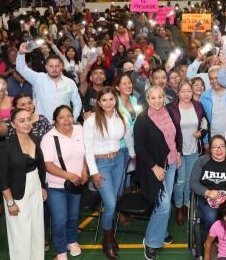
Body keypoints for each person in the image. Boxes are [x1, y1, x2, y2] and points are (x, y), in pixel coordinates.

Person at [83, 87, 132, 259]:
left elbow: (127, 138)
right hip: (101, 163)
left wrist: (133, 156)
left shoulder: (121, 117)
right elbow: (87, 149)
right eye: (104, 100)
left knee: (116, 197)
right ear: (98, 102)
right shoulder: (91, 121)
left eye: (111, 99)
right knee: (110, 204)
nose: (108, 103)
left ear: (115, 100)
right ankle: (108, 238)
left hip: (119, 160)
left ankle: (109, 233)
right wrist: (94, 172)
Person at [0, 107, 48, 260]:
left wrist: (42, 187)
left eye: (29, 119)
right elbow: (1, 178)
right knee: (20, 234)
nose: (27, 123)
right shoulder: (5, 147)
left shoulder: (36, 140)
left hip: (35, 188)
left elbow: (40, 166)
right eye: (21, 121)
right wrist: (10, 202)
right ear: (13, 124)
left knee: (37, 230)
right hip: (16, 193)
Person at [134, 85, 180, 260]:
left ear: (164, 98)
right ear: (147, 100)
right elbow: (140, 148)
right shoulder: (143, 119)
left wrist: (176, 153)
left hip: (170, 164)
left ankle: (162, 231)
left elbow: (172, 137)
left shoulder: (168, 112)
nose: (157, 101)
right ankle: (152, 242)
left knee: (166, 201)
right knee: (163, 205)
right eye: (152, 98)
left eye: (160, 97)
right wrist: (154, 167)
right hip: (153, 168)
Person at [40, 106, 88, 260]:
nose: (67, 120)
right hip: (56, 186)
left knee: (73, 216)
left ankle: (72, 241)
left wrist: (85, 171)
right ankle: (61, 250)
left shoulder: (80, 130)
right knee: (60, 219)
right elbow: (47, 165)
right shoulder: (49, 138)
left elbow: (85, 153)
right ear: (55, 120)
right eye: (62, 117)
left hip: (77, 184)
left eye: (69, 116)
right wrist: (69, 176)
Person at [167, 81, 208, 226]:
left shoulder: (198, 106)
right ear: (177, 93)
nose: (186, 94)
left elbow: (204, 123)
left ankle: (187, 204)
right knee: (180, 181)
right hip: (178, 151)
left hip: (194, 150)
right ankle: (179, 206)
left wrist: (201, 133)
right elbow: (168, 131)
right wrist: (175, 151)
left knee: (191, 181)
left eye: (188, 91)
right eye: (182, 91)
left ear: (192, 92)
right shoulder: (171, 108)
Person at [190, 134, 226, 232]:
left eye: (222, 146)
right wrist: (207, 192)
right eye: (215, 147)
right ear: (210, 149)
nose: (219, 150)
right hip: (207, 199)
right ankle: (213, 240)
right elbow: (193, 183)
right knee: (212, 216)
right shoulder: (202, 161)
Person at [16, 43, 82, 122]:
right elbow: (21, 68)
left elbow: (77, 103)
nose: (54, 69)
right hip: (41, 124)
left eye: (57, 66)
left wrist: (73, 119)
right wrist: (21, 53)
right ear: (46, 67)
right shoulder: (38, 78)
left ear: (62, 66)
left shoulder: (70, 82)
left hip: (62, 124)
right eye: (51, 66)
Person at [199, 66, 226, 150]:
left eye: (217, 78)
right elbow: (203, 122)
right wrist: (205, 141)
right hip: (212, 140)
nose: (214, 81)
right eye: (211, 79)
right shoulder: (204, 97)